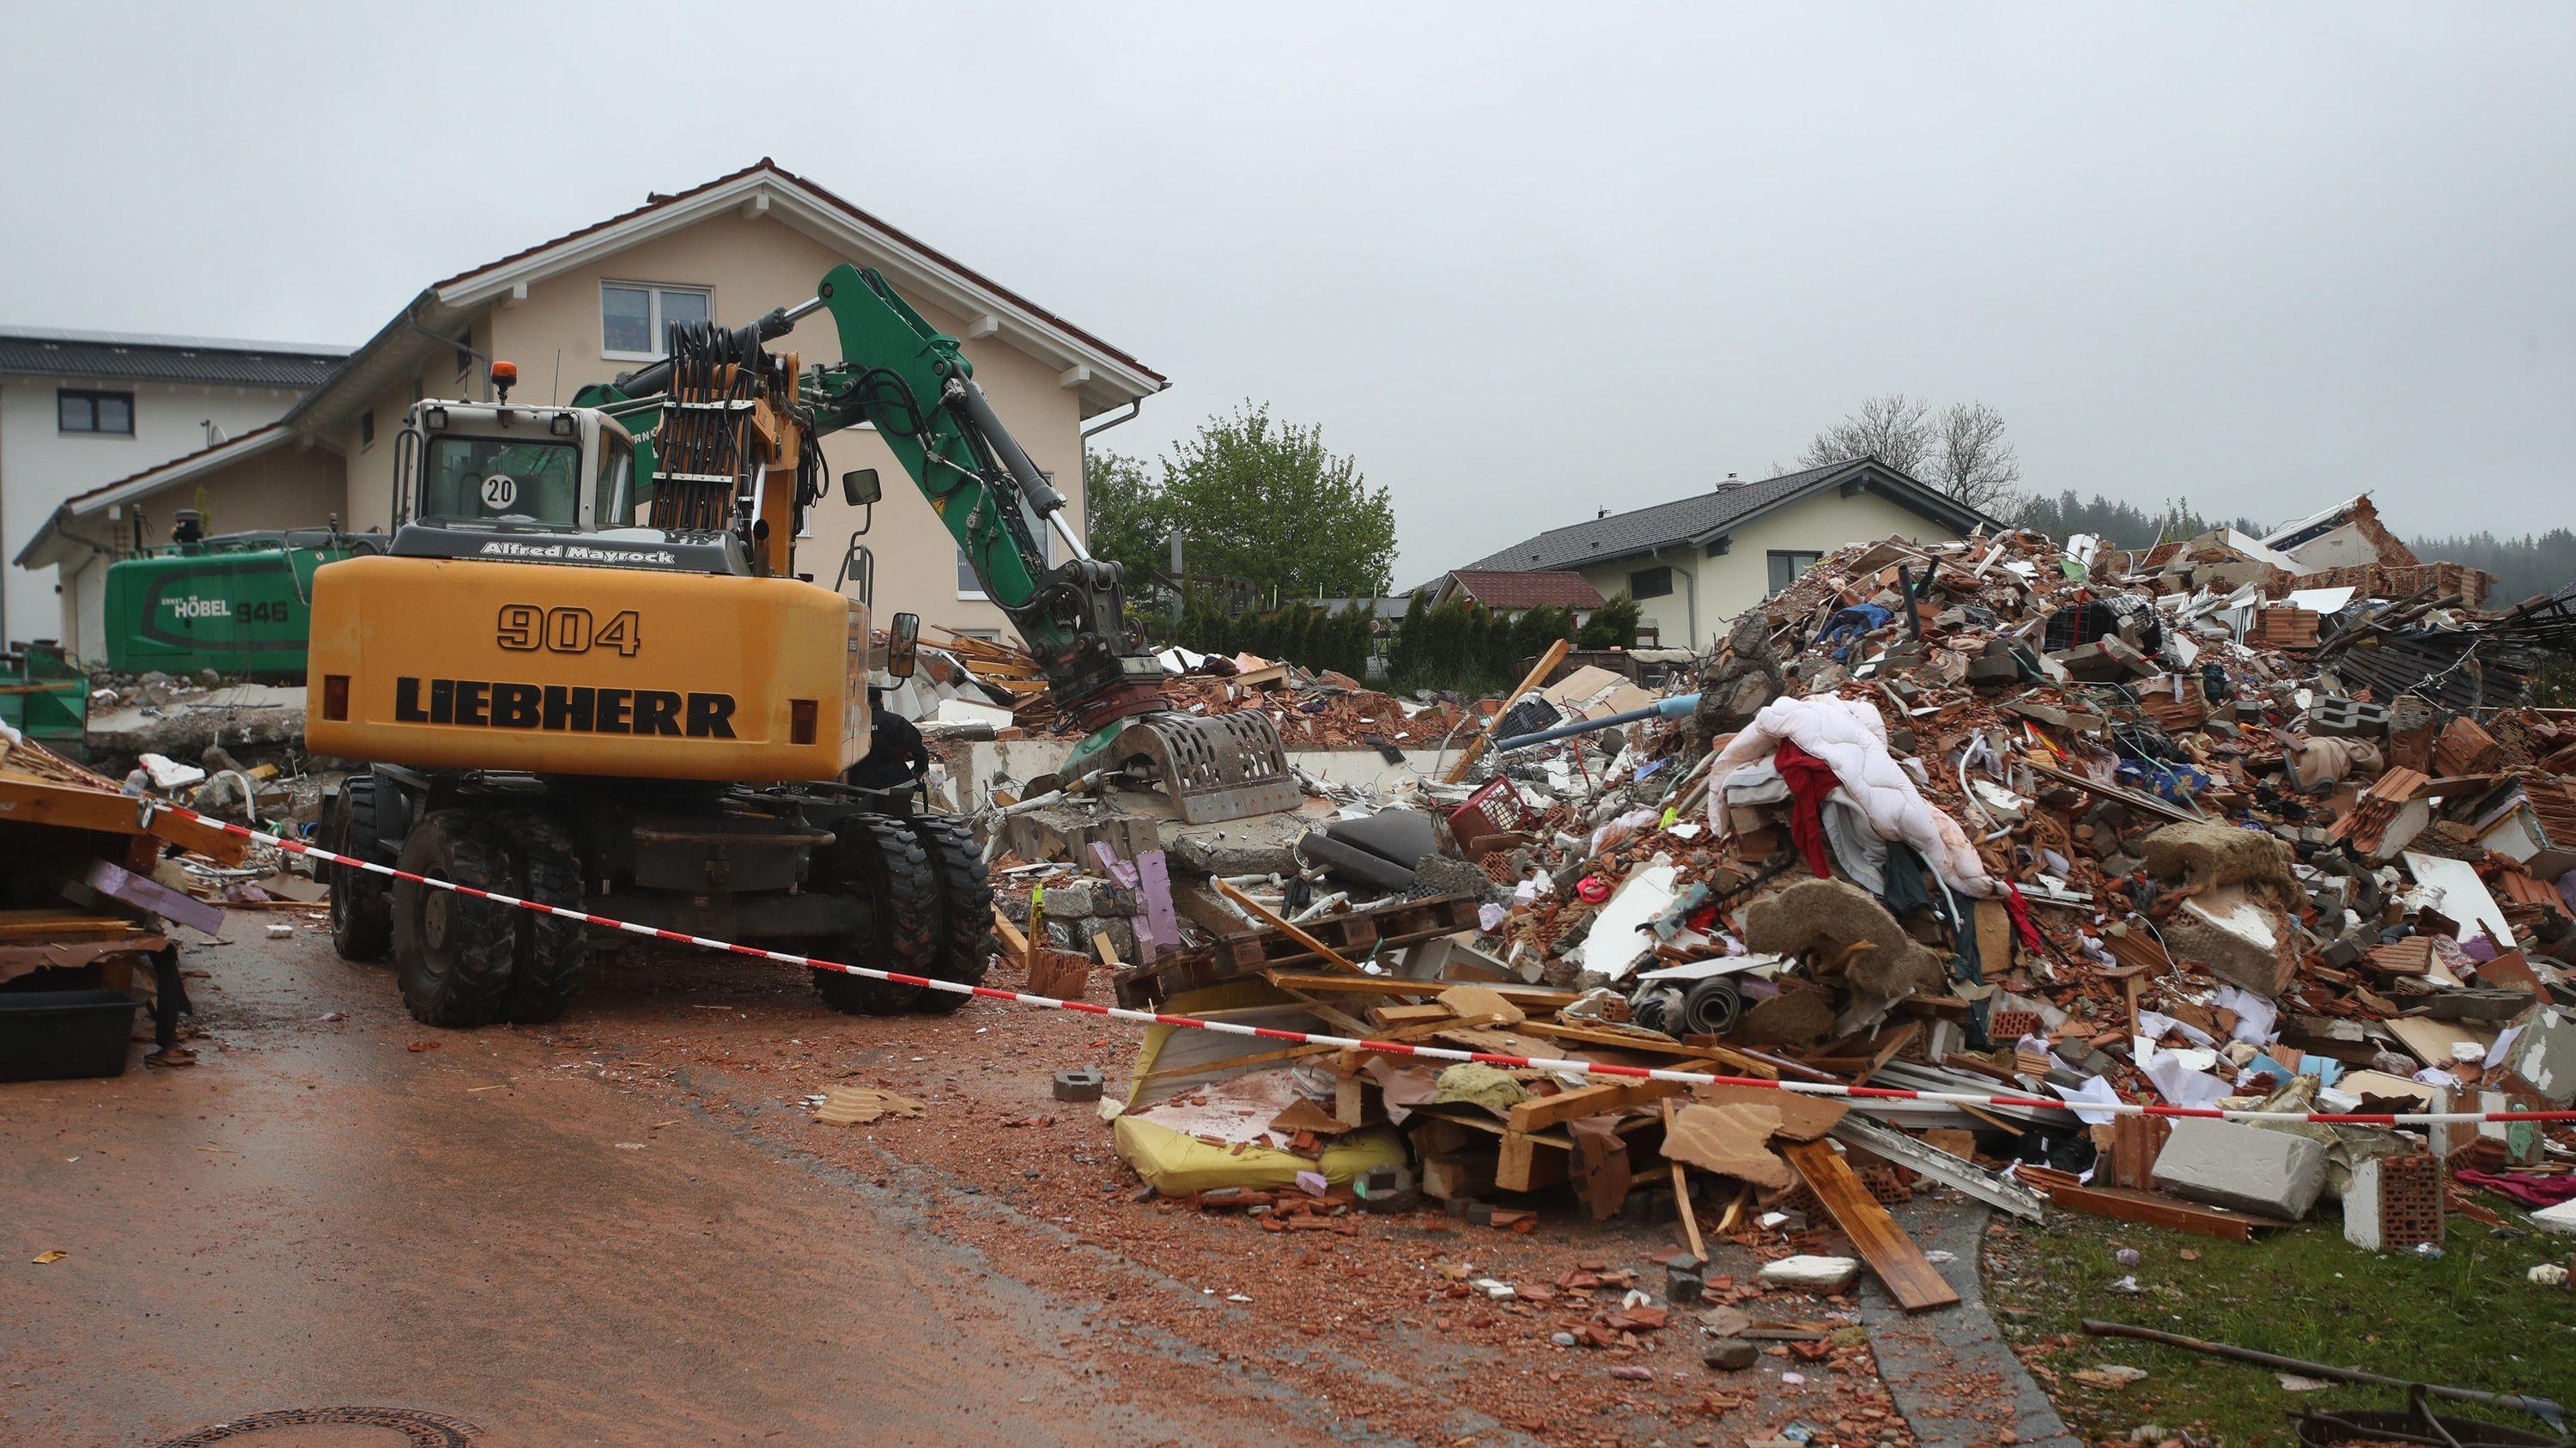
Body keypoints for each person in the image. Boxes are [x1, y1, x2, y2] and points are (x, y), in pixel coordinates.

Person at [845, 687, 930, 795]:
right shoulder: (895, 722)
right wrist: (919, 770)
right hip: (896, 787)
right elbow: (918, 749)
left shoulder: (851, 726)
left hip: (863, 790)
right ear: (881, 700)